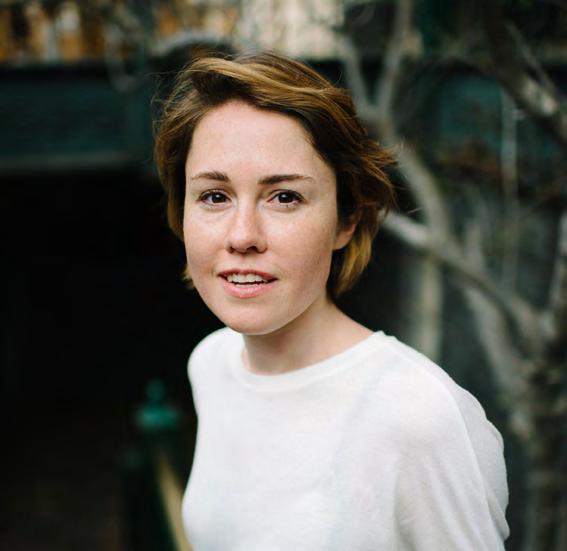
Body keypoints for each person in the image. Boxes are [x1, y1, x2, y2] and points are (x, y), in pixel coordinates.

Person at [154, 51, 509, 550]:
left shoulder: (420, 418)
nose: (242, 235)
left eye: (285, 197)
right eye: (214, 196)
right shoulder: (211, 364)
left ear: (346, 220)